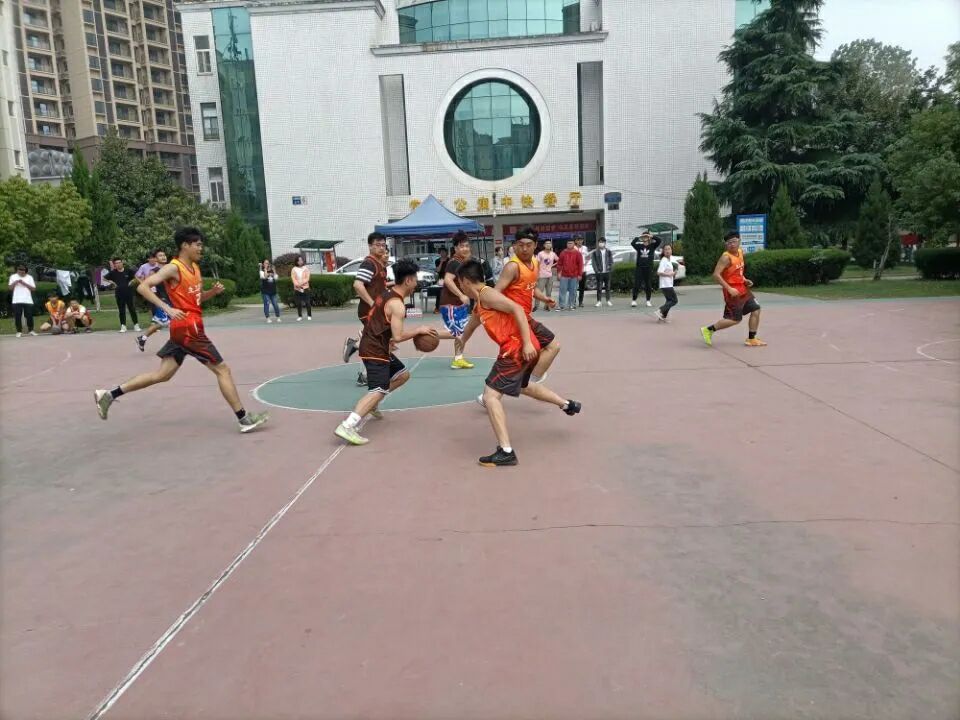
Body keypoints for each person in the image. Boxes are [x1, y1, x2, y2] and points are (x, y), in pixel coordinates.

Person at [94, 227, 269, 433]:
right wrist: (167, 308)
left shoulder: (194, 268)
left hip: (184, 327)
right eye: (198, 244)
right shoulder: (173, 268)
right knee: (222, 370)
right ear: (185, 245)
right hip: (188, 328)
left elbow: (196, 300)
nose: (201, 248)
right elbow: (142, 287)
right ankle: (244, 419)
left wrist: (212, 293)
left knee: (163, 374)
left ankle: (109, 395)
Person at [456, 260, 581, 467]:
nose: (460, 287)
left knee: (490, 397)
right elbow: (471, 325)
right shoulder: (480, 302)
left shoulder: (487, 295)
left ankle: (506, 451)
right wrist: (462, 341)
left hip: (515, 349)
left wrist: (526, 343)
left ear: (466, 281)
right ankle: (566, 404)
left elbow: (517, 309)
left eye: (460, 283)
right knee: (523, 386)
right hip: (520, 348)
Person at [334, 259, 439, 446]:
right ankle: (348, 425)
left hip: (376, 345)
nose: (416, 283)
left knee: (402, 375)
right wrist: (418, 330)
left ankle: (372, 404)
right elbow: (398, 336)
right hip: (374, 349)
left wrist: (387, 340)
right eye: (415, 279)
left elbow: (379, 322)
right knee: (378, 390)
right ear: (407, 280)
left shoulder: (386, 294)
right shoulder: (397, 305)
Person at [462, 226, 561, 408]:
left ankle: (525, 383)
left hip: (525, 317)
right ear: (514, 246)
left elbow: (531, 287)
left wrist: (544, 298)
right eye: (520, 245)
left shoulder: (535, 263)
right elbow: (496, 292)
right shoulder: (512, 267)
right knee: (547, 347)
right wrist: (483, 309)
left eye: (528, 245)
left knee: (551, 347)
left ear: (535, 245)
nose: (524, 248)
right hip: (514, 318)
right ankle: (524, 384)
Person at [701, 231, 766, 347]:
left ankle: (751, 339)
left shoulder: (740, 252)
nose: (732, 244)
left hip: (743, 289)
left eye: (734, 241)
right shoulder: (726, 257)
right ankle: (708, 330)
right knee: (735, 319)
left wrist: (744, 279)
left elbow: (737, 271)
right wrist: (729, 288)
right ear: (726, 244)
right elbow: (716, 275)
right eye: (729, 243)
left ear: (739, 241)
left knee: (756, 309)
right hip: (732, 292)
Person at [343, 232, 390, 386]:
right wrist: (372, 303)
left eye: (383, 245)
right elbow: (358, 285)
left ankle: (364, 370)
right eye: (378, 245)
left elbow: (376, 287)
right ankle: (356, 349)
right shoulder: (369, 263)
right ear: (370, 246)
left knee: (377, 342)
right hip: (369, 312)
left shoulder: (379, 264)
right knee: (376, 343)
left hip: (376, 312)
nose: (381, 248)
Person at [439, 231, 475, 370]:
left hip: (459, 304)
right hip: (451, 304)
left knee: (462, 332)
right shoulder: (454, 262)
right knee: (458, 332)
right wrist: (461, 295)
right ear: (455, 248)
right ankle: (424, 333)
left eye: (467, 246)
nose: (465, 248)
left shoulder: (462, 262)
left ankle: (458, 359)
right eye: (461, 246)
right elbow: (448, 280)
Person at [136, 250, 172, 352]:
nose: (163, 257)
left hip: (172, 299)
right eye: (160, 255)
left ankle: (142, 338)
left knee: (160, 323)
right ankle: (175, 345)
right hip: (162, 300)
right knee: (170, 321)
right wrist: (155, 298)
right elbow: (146, 286)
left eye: (164, 255)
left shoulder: (171, 268)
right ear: (156, 259)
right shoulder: (154, 271)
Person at [104, 257, 141, 333]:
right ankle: (123, 326)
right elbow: (104, 278)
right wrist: (112, 282)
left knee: (132, 309)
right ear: (114, 265)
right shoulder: (113, 272)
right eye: (116, 263)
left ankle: (136, 325)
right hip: (119, 293)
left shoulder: (128, 271)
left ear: (122, 263)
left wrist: (132, 281)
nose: (118, 264)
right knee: (121, 310)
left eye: (119, 262)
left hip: (129, 293)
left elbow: (136, 277)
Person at [631, 232, 662, 307]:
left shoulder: (652, 246)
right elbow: (632, 243)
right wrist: (639, 236)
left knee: (648, 285)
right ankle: (634, 300)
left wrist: (651, 236)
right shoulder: (639, 246)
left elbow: (659, 240)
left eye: (646, 236)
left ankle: (648, 300)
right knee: (637, 284)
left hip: (648, 268)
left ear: (648, 238)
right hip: (639, 268)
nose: (645, 238)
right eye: (644, 237)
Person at [8, 264, 37, 337]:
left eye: (23, 270)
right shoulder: (13, 277)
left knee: (29, 315)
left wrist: (24, 283)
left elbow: (33, 289)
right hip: (16, 300)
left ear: (25, 271)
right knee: (17, 316)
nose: (21, 271)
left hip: (27, 300)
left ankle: (31, 330)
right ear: (17, 270)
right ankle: (19, 331)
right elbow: (10, 288)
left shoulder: (29, 277)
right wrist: (15, 282)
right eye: (19, 269)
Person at [557, 239, 583, 311]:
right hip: (564, 275)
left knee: (573, 291)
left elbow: (580, 264)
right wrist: (559, 273)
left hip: (574, 275)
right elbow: (559, 264)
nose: (569, 244)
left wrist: (580, 274)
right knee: (562, 291)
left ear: (574, 244)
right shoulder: (563, 253)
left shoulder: (578, 253)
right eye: (568, 243)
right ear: (566, 244)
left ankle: (571, 305)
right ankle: (561, 305)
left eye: (571, 243)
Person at [656, 244, 680, 322]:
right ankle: (660, 310)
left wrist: (674, 273)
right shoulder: (664, 260)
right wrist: (669, 274)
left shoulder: (668, 260)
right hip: (665, 284)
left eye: (669, 249)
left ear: (671, 250)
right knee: (674, 300)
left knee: (669, 300)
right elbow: (659, 272)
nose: (667, 251)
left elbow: (670, 273)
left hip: (668, 284)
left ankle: (663, 316)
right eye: (665, 249)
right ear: (663, 251)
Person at [534, 240, 558, 312]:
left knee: (549, 292)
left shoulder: (553, 254)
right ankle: (536, 306)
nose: (548, 245)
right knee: (539, 292)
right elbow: (537, 264)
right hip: (541, 275)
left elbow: (559, 260)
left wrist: (552, 265)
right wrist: (537, 274)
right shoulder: (540, 254)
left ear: (551, 245)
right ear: (544, 245)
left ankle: (547, 306)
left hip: (550, 275)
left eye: (549, 243)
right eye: (547, 244)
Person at [592, 237, 614, 307]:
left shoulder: (608, 251)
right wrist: (596, 271)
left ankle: (608, 300)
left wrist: (610, 268)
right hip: (599, 272)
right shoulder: (595, 252)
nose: (601, 243)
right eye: (600, 242)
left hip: (607, 272)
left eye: (602, 242)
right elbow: (593, 262)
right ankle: (599, 301)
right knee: (599, 288)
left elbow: (611, 261)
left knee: (608, 287)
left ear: (605, 243)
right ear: (598, 243)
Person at [291, 256, 312, 321]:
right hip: (297, 289)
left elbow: (307, 278)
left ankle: (309, 315)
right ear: (297, 262)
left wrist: (301, 284)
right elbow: (293, 278)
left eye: (301, 260)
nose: (301, 261)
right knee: (298, 303)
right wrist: (297, 285)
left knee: (307, 302)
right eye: (299, 260)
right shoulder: (294, 269)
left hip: (305, 287)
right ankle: (300, 316)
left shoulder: (305, 268)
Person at [575, 236, 590, 308]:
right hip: (575, 270)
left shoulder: (585, 248)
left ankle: (580, 302)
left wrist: (585, 263)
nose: (580, 241)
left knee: (582, 287)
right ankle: (573, 301)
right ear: (576, 241)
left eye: (581, 240)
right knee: (574, 287)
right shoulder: (573, 248)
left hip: (583, 270)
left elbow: (588, 256)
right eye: (578, 240)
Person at [433, 247, 449, 314]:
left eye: (443, 252)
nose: (442, 253)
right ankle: (437, 308)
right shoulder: (437, 261)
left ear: (446, 253)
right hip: (441, 278)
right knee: (439, 293)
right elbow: (438, 270)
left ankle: (448, 307)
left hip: (449, 278)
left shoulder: (450, 260)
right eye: (441, 252)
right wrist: (441, 262)